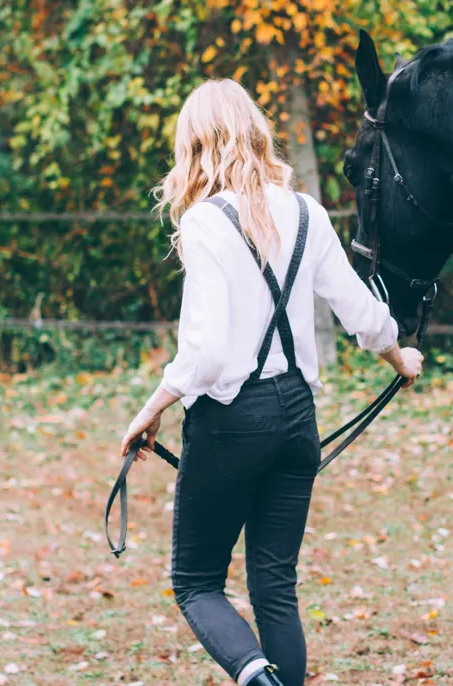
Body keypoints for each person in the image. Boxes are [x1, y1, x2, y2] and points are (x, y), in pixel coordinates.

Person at [119, 79, 423, 686]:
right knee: (276, 586)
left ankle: (257, 677)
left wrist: (151, 409)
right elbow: (360, 311)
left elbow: (205, 353)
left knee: (197, 582)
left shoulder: (206, 222)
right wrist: (399, 357)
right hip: (296, 417)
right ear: (255, 133)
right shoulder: (306, 212)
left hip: (231, 423)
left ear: (195, 145)